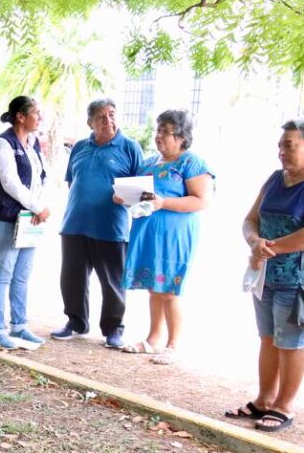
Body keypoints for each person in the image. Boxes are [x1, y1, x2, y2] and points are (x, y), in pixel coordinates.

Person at [117, 110, 213, 363]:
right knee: (154, 288)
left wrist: (164, 202)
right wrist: (123, 196)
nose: (159, 136)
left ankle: (173, 345)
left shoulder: (191, 162)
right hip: (148, 234)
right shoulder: (149, 163)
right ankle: (153, 340)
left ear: (181, 137)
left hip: (174, 237)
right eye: (158, 130)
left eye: (165, 131)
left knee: (169, 289)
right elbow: (139, 197)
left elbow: (201, 200)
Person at [230, 120, 304, 432]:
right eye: (280, 145)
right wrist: (254, 242)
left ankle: (283, 406)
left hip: (296, 279)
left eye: (289, 145)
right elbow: (250, 219)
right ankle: (264, 399)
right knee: (268, 338)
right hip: (264, 276)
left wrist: (269, 248)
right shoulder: (274, 179)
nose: (281, 151)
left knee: (291, 343)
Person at [53, 98, 144, 348]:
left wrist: (126, 199)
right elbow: (72, 181)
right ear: (89, 122)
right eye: (101, 117)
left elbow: (142, 191)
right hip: (74, 224)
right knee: (72, 280)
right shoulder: (80, 147)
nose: (108, 121)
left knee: (113, 282)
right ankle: (76, 322)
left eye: (112, 114)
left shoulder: (130, 147)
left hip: (111, 227)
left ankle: (113, 329)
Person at [0, 96, 51, 350]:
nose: (40, 117)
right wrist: (37, 207)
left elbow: (40, 178)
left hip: (29, 218)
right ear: (21, 116)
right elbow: (10, 182)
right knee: (3, 273)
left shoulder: (33, 143)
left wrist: (38, 207)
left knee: (22, 275)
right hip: (5, 218)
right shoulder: (3, 143)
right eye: (36, 112)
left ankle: (19, 326)